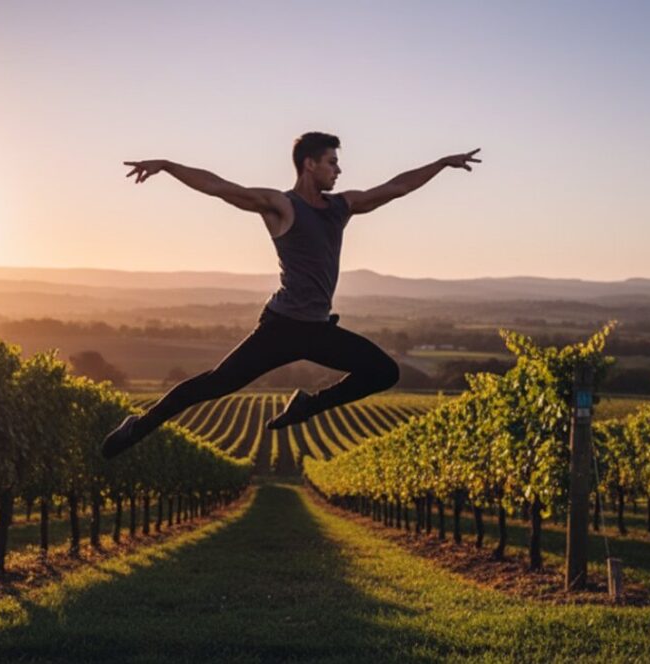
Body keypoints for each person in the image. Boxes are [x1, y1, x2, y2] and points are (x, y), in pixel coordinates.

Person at [102, 132, 481, 459]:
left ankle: (307, 405)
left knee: (384, 372)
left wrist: (442, 163)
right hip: (280, 328)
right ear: (309, 164)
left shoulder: (342, 207)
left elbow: (396, 188)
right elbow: (221, 188)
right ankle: (139, 426)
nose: (339, 170)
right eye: (332, 162)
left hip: (318, 330)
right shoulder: (282, 206)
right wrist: (167, 165)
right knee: (214, 383)